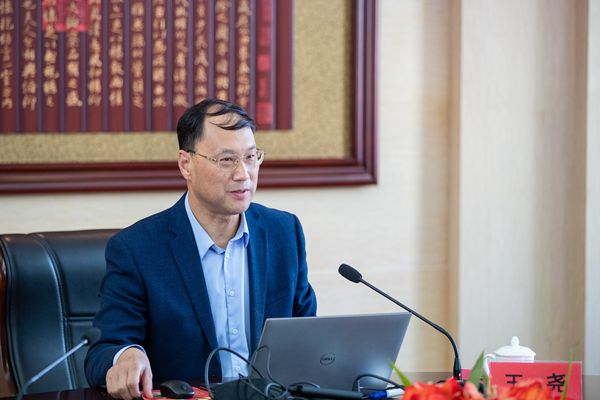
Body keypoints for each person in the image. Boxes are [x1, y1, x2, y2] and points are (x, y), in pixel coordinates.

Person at [84, 98, 317, 400]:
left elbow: (307, 335)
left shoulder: (284, 233)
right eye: (227, 160)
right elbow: (102, 351)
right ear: (186, 164)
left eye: (251, 157)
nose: (244, 174)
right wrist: (126, 355)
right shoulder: (137, 249)